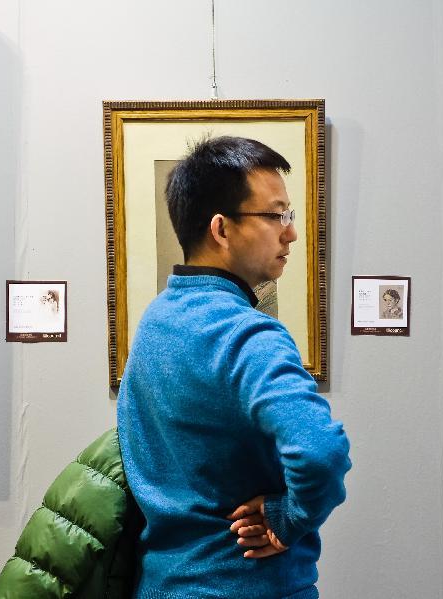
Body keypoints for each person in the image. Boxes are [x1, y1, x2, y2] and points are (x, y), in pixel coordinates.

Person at [117, 136, 351, 599]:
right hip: (248, 585)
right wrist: (288, 519)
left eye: (290, 215)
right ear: (221, 230)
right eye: (275, 215)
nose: (291, 233)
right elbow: (321, 452)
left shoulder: (156, 321)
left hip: (163, 585)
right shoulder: (248, 334)